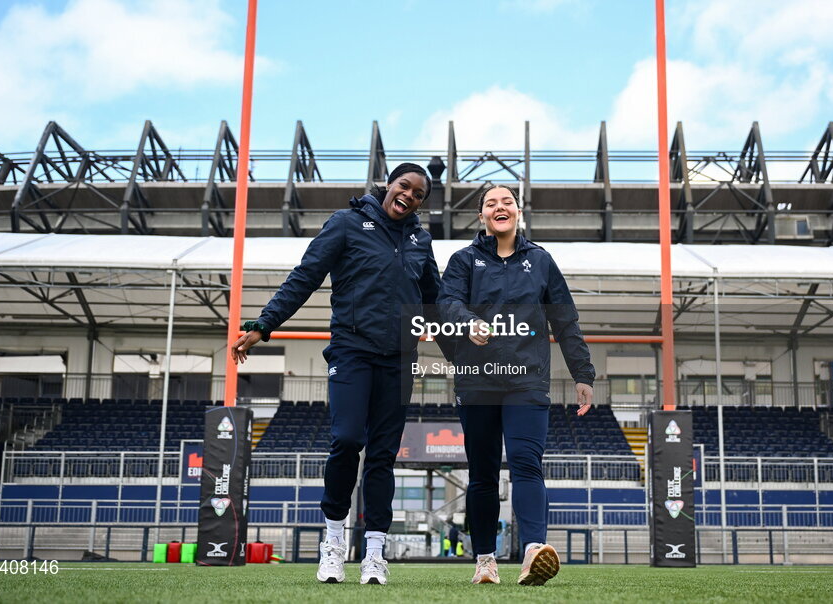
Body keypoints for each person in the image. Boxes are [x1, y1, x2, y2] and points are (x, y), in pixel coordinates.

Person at [231, 163, 446, 586]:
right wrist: (263, 324)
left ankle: (374, 554)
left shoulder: (421, 240)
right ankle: (332, 543)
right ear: (389, 185)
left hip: (400, 359)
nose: (410, 196)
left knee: (383, 456)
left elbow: (435, 302)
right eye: (405, 186)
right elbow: (305, 276)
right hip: (351, 350)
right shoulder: (347, 224)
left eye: (419, 194)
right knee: (347, 439)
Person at [438, 184, 595, 586]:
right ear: (482, 217)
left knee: (527, 463)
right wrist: (466, 322)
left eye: (507, 201)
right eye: (491, 203)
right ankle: (486, 561)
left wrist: (583, 374)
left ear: (518, 212)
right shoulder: (463, 260)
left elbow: (565, 320)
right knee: (483, 473)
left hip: (527, 381)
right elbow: (446, 302)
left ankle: (532, 553)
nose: (500, 207)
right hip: (477, 383)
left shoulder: (541, 261)